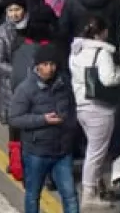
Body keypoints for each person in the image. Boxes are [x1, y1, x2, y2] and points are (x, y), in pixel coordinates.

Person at [7, 43, 80, 213]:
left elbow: (72, 108)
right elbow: (15, 118)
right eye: (45, 64)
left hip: (62, 151)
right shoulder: (26, 89)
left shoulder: (64, 85)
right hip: (36, 152)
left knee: (70, 195)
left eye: (53, 64)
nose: (50, 69)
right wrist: (43, 120)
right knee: (33, 195)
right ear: (37, 65)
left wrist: (70, 126)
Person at [69, 17, 120, 203]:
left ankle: (98, 185)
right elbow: (108, 79)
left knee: (94, 149)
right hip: (99, 108)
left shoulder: (75, 51)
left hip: (81, 106)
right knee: (96, 152)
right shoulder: (102, 54)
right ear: (101, 33)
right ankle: (89, 193)